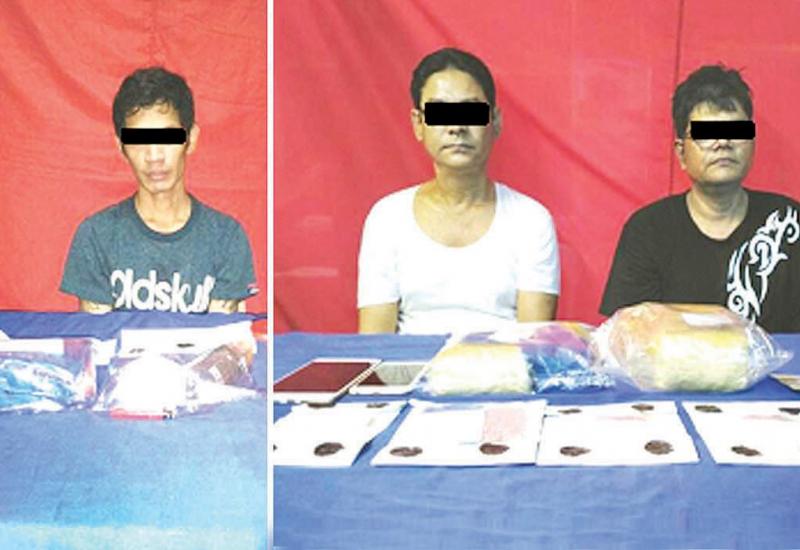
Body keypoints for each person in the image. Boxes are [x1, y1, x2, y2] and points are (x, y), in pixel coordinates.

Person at [358, 48, 560, 334]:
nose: (456, 126)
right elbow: (374, 344)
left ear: (495, 122)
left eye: (470, 112)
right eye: (441, 113)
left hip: (503, 363)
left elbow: (534, 344)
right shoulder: (387, 218)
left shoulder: (530, 220)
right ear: (418, 124)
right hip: (409, 364)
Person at [600, 64, 800, 332]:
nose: (723, 143)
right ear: (681, 152)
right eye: (706, 134)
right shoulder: (648, 229)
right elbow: (628, 335)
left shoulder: (789, 221)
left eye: (736, 131)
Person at [60, 67, 256, 313]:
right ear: (120, 146)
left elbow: (224, 335)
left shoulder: (226, 238)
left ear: (191, 139)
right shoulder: (97, 236)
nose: (154, 156)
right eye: (138, 140)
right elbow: (96, 335)